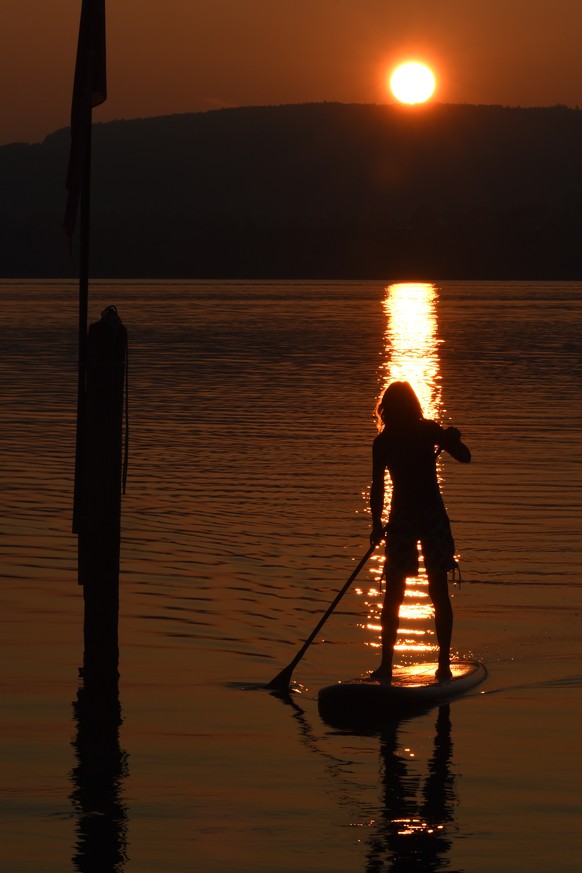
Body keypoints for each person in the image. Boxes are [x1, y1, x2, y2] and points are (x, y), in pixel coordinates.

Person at [369, 381, 471, 681]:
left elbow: (463, 455)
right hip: (414, 519)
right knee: (428, 591)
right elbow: (377, 487)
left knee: (406, 594)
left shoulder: (408, 435)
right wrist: (376, 525)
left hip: (415, 519)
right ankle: (432, 664)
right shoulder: (413, 434)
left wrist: (449, 439)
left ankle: (422, 664)